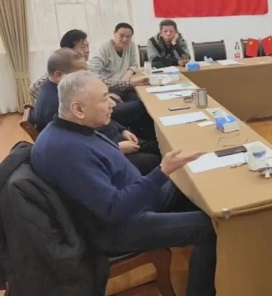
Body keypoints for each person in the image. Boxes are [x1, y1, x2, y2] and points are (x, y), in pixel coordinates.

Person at [31, 71, 216, 296]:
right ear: (78, 109)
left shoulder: (72, 129)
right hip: (118, 227)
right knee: (209, 227)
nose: (112, 104)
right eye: (104, 99)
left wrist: (164, 173)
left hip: (136, 199)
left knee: (189, 177)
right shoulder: (67, 151)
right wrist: (162, 171)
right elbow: (114, 209)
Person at [32, 49, 160, 175]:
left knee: (157, 147)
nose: (87, 75)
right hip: (106, 150)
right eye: (81, 72)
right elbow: (77, 148)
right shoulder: (56, 104)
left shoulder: (68, 91)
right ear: (59, 76)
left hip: (111, 138)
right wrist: (116, 147)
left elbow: (101, 119)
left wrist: (122, 130)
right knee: (155, 159)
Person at [29, 29, 152, 135]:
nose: (87, 50)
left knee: (137, 100)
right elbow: (34, 88)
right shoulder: (62, 73)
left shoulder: (79, 67)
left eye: (88, 46)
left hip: (97, 109)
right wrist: (64, 97)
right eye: (83, 47)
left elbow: (104, 82)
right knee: (144, 105)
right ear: (68, 50)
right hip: (94, 112)